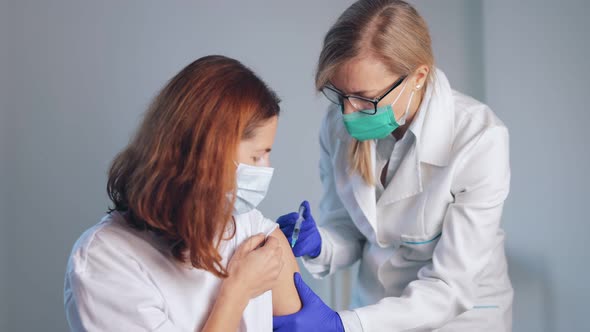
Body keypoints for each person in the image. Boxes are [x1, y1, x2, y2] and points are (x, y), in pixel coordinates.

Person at [274, 0, 513, 331]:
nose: (347, 112)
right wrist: (320, 243)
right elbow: (350, 231)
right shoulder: (337, 127)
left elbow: (450, 287)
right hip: (373, 306)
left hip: (460, 318)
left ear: (417, 76)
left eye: (364, 97)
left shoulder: (480, 138)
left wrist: (346, 325)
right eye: (339, 94)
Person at [64, 55, 301, 331]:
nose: (266, 170)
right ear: (207, 156)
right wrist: (238, 292)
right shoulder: (103, 262)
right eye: (257, 157)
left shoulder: (250, 230)